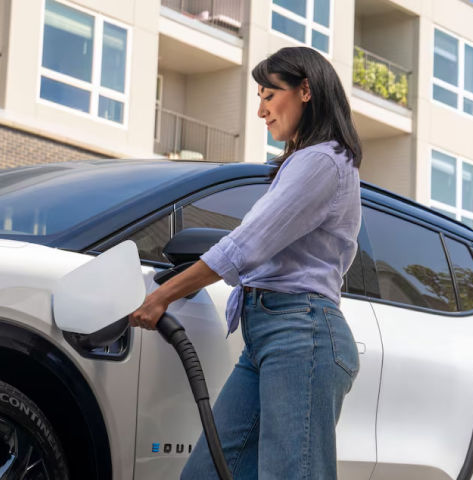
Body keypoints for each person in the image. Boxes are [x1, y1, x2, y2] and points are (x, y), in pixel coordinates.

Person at [129, 46, 362, 479]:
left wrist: (161, 295)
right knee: (207, 473)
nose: (261, 111)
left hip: (301, 336)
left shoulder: (322, 161)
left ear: (306, 90)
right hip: (267, 337)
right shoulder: (303, 163)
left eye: (269, 95)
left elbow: (244, 246)